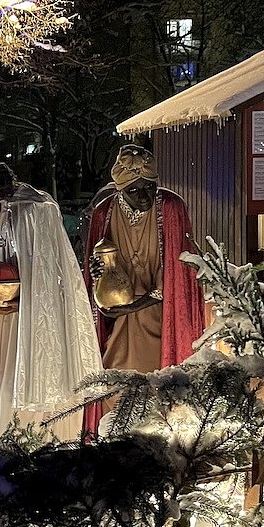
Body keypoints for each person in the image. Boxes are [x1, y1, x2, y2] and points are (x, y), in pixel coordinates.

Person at [0, 142, 102, 437]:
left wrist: (25, 299)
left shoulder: (35, 208)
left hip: (35, 324)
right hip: (1, 322)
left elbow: (51, 275)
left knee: (23, 393)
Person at [83, 144, 205, 375]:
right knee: (116, 380)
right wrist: (97, 273)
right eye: (133, 191)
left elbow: (178, 270)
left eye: (150, 187)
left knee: (161, 379)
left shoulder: (170, 207)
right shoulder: (104, 213)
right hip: (118, 320)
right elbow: (95, 266)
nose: (144, 197)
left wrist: (135, 307)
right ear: (119, 190)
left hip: (162, 314)